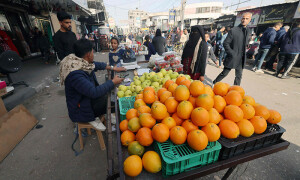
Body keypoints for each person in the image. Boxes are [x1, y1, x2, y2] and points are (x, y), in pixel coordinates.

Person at [59, 38, 126, 129]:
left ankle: (109, 114)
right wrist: (113, 82)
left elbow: (96, 64)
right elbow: (94, 92)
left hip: (86, 99)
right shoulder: (75, 74)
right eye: (92, 52)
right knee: (117, 104)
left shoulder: (80, 62)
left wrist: (112, 68)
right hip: (82, 109)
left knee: (109, 94)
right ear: (88, 54)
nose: (93, 54)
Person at [213, 12, 252, 86]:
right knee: (224, 73)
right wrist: (232, 53)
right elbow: (225, 43)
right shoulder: (234, 30)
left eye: (247, 19)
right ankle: (214, 83)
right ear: (241, 19)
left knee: (239, 76)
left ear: (250, 20)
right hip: (233, 57)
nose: (244, 20)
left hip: (241, 57)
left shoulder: (248, 31)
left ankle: (235, 90)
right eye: (243, 18)